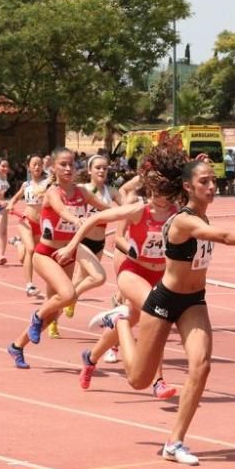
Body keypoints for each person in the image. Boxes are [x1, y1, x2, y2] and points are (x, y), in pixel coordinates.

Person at [89, 156, 235, 465]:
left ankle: (174, 442)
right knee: (138, 380)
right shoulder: (186, 219)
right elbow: (224, 237)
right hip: (164, 301)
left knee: (200, 366)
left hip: (194, 302)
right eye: (204, 182)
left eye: (213, 180)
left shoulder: (200, 216)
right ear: (188, 187)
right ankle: (121, 319)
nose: (212, 186)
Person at [61, 147, 184, 399]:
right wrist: (72, 246)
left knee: (135, 319)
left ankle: (91, 357)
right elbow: (97, 221)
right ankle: (158, 381)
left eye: (168, 193)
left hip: (159, 274)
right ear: (150, 189)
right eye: (158, 192)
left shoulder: (177, 213)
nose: (163, 199)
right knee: (158, 315)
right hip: (133, 272)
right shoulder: (138, 209)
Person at [5, 148, 138, 369]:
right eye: (63, 164)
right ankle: (37, 317)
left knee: (92, 281)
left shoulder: (82, 192)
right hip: (46, 253)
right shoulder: (52, 193)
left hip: (69, 252)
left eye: (71, 164)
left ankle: (17, 346)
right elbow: (61, 210)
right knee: (66, 295)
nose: (68, 168)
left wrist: (132, 210)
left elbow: (106, 210)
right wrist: (77, 220)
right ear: (54, 168)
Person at [52, 154, 116, 338]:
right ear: (89, 171)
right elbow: (64, 203)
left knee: (91, 278)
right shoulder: (83, 190)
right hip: (82, 240)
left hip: (100, 241)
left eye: (105, 168)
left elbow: (123, 205)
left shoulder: (111, 192)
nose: (102, 171)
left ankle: (72, 299)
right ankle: (54, 320)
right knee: (77, 281)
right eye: (98, 168)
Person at [5, 155, 50, 297]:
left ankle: (18, 244)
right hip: (26, 221)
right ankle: (29, 286)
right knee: (31, 249)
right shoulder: (26, 185)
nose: (37, 167)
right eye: (34, 164)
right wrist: (11, 205)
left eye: (39, 164)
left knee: (29, 255)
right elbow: (15, 198)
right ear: (29, 167)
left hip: (40, 224)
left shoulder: (48, 183)